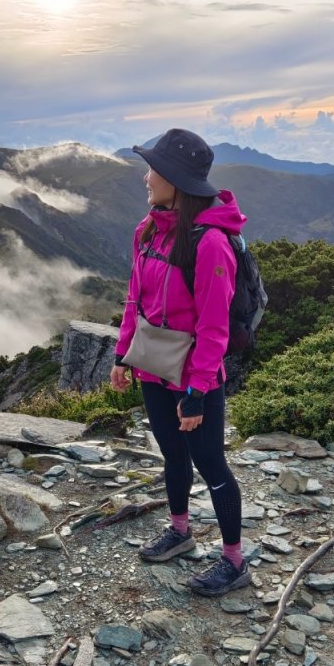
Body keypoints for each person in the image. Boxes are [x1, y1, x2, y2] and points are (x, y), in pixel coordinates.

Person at [110, 128, 249, 597]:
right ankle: (181, 532)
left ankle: (234, 561)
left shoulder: (210, 244)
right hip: (153, 365)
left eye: (153, 169)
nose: (146, 177)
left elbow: (215, 329)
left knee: (211, 464)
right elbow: (136, 299)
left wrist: (196, 393)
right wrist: (122, 355)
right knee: (171, 455)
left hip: (195, 378)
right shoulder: (147, 230)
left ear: (175, 179)